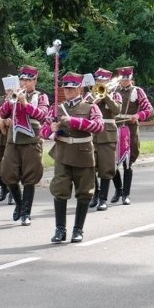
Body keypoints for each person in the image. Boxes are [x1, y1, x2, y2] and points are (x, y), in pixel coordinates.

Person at [43, 72, 104, 243]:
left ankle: (78, 230)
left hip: (83, 153)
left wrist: (75, 121)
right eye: (66, 88)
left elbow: (99, 126)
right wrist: (52, 129)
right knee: (60, 191)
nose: (68, 91)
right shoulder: (57, 107)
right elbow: (43, 130)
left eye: (72, 88)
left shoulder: (91, 107)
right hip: (62, 153)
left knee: (84, 192)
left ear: (80, 88)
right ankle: (60, 229)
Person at [0, 65, 50, 226]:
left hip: (31, 141)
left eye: (28, 80)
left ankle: (26, 212)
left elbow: (43, 116)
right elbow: (2, 113)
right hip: (13, 140)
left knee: (29, 176)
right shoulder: (13, 95)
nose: (24, 82)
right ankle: (19, 203)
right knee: (7, 173)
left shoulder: (41, 97)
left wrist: (25, 103)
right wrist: (9, 99)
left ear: (35, 80)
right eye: (22, 79)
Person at [112, 66, 154, 205]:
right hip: (115, 127)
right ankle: (118, 189)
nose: (124, 82)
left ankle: (126, 194)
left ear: (130, 78)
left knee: (127, 162)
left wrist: (138, 115)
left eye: (127, 79)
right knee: (112, 162)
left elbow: (149, 110)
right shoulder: (113, 90)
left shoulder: (137, 91)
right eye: (122, 79)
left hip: (130, 129)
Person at [86, 68, 121, 211]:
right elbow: (84, 107)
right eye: (98, 80)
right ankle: (95, 194)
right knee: (90, 166)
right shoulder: (90, 94)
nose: (100, 82)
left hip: (107, 135)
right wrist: (94, 99)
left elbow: (117, 110)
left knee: (106, 167)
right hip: (93, 133)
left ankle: (103, 199)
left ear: (108, 81)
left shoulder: (116, 94)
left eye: (103, 80)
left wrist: (106, 96)